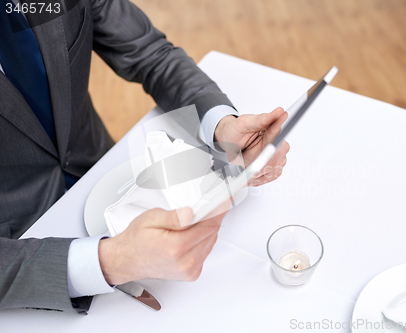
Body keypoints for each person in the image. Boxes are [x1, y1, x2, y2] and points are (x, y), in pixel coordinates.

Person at [0, 0, 289, 313]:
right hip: (19, 242)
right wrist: (108, 264)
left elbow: (152, 54)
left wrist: (222, 127)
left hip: (101, 166)